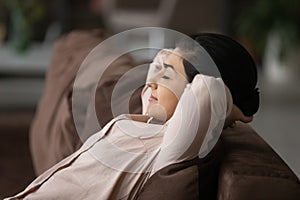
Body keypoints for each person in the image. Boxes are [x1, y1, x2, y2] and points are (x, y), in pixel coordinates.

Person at [5, 33, 259, 199]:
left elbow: (209, 92)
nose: (153, 82)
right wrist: (175, 55)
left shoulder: (173, 145)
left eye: (168, 75)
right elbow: (164, 65)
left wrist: (238, 107)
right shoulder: (145, 124)